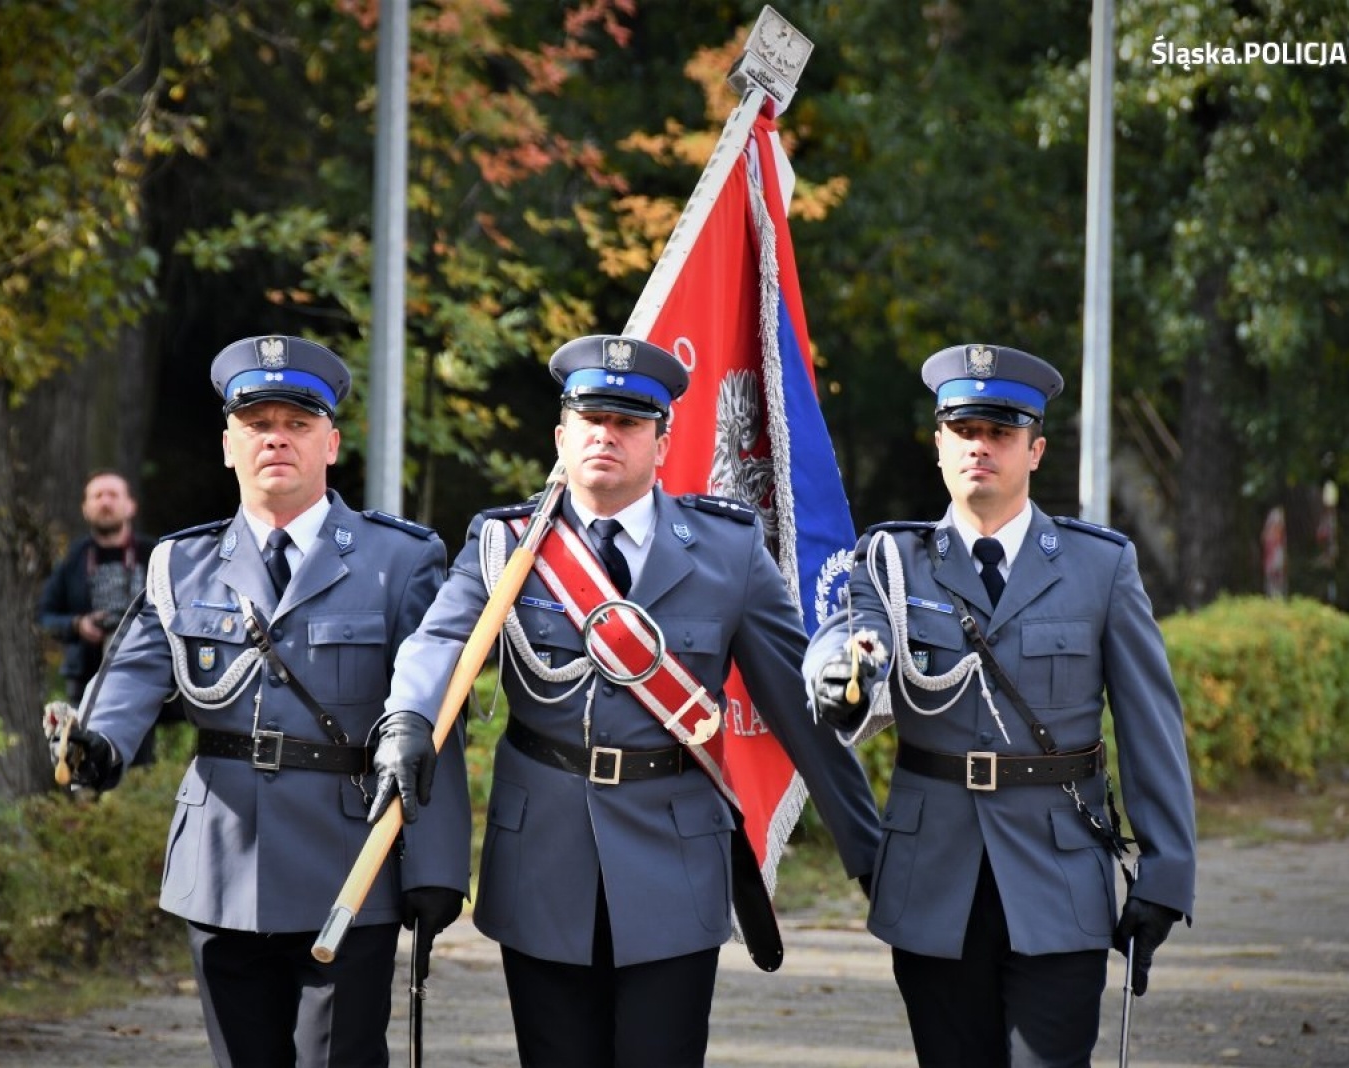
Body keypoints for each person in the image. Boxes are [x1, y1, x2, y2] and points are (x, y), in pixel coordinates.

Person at [385, 334, 884, 1068]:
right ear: (562, 434)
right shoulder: (505, 545)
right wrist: (407, 719)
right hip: (542, 855)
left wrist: (871, 853)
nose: (605, 436)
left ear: (661, 438)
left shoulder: (727, 551)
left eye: (627, 422)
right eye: (590, 419)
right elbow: (438, 644)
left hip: (673, 856)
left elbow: (798, 708)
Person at [47, 335, 470, 1068]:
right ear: (227, 444)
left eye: (298, 423)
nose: (276, 437)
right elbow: (137, 671)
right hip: (221, 863)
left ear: (330, 443)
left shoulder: (399, 560)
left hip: (349, 861)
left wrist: (434, 869)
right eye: (257, 423)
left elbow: (433, 716)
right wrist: (99, 744)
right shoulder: (181, 563)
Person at [804, 342, 1197, 1067]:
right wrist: (834, 672)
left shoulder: (1099, 567)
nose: (979, 448)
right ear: (939, 444)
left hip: (1058, 875)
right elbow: (850, 650)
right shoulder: (890, 561)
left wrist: (1166, 874)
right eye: (963, 430)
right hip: (933, 879)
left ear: (1035, 450)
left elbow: (1150, 725)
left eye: (1000, 433)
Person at [37, 470, 165, 764]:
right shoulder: (73, 560)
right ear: (85, 508)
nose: (105, 502)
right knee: (83, 761)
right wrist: (77, 625)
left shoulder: (156, 554)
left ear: (130, 506)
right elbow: (43, 616)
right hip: (85, 681)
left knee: (138, 764)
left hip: (144, 679)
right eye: (97, 496)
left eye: (113, 495)